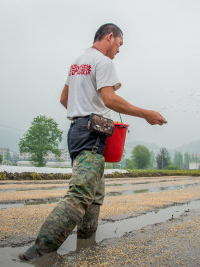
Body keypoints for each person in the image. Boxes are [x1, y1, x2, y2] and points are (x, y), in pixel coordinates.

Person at [19, 23, 167, 261]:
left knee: (95, 195)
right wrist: (146, 113)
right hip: (91, 135)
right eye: (119, 44)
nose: (119, 50)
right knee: (80, 195)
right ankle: (39, 252)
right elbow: (109, 99)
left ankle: (86, 244)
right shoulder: (104, 62)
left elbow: (64, 98)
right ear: (110, 37)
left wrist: (83, 112)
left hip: (77, 131)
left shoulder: (78, 61)